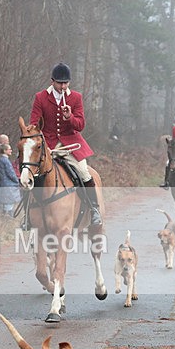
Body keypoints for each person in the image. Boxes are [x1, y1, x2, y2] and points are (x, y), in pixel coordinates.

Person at [29, 62, 101, 227]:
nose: (63, 86)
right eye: (60, 82)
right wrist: (40, 142)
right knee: (31, 175)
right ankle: (27, 215)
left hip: (71, 145)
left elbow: (81, 124)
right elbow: (34, 123)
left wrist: (70, 118)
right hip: (48, 145)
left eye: (66, 82)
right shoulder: (40, 97)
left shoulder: (76, 97)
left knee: (84, 172)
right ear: (52, 81)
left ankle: (94, 209)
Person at [0, 143, 21, 216]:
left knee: (6, 204)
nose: (11, 150)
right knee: (9, 204)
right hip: (8, 185)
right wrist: (17, 181)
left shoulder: (1, 160)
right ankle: (9, 220)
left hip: (4, 184)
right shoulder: (5, 160)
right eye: (9, 149)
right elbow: (11, 173)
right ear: (4, 151)